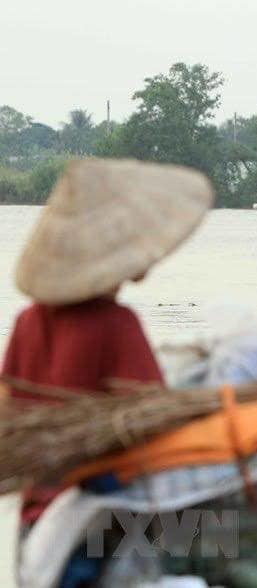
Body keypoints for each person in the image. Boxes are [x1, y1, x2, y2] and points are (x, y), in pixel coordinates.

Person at [2, 158, 213, 521]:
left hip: (37, 512)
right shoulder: (116, 324)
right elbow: (149, 419)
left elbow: (10, 407)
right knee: (216, 533)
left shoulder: (26, 320)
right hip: (99, 515)